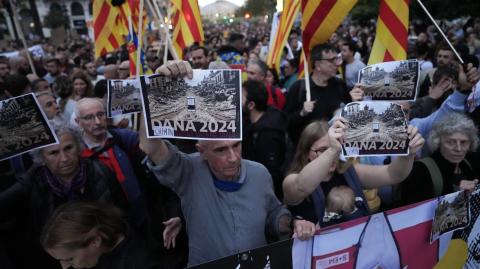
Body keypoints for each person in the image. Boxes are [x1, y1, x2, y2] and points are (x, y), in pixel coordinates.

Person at [139, 60, 315, 267]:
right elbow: (150, 147)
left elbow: (274, 212)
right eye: (220, 150)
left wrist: (294, 223)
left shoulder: (259, 173)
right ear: (201, 152)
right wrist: (158, 90)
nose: (233, 157)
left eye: (236, 145)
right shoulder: (188, 172)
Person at [0, 124, 127, 268]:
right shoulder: (34, 180)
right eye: (54, 153)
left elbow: (122, 214)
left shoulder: (100, 171)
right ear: (42, 157)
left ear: (78, 147)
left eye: (68, 148)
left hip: (101, 256)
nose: (64, 158)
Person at [282, 119, 424, 226]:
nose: (332, 155)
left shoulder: (349, 172)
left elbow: (393, 174)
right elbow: (302, 186)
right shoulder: (291, 180)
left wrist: (408, 153)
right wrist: (332, 150)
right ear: (306, 152)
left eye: (337, 145)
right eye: (322, 150)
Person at [41, 202, 162, 269]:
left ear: (95, 241)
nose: (65, 267)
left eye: (69, 259)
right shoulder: (100, 255)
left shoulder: (140, 261)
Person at [400, 113, 480, 205]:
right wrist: (457, 195)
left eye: (464, 142)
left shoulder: (468, 165)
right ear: (438, 142)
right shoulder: (421, 170)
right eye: (450, 142)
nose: (458, 149)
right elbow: (414, 213)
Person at [284, 43, 351, 146]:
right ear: (318, 65)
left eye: (337, 59)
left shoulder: (340, 85)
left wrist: (353, 104)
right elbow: (286, 122)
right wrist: (302, 113)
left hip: (337, 149)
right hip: (308, 153)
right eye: (331, 60)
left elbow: (351, 116)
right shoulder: (299, 88)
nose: (337, 64)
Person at [242, 80, 287, 200]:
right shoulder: (249, 122)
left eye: (240, 97)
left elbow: (269, 172)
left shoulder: (268, 134)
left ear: (251, 105)